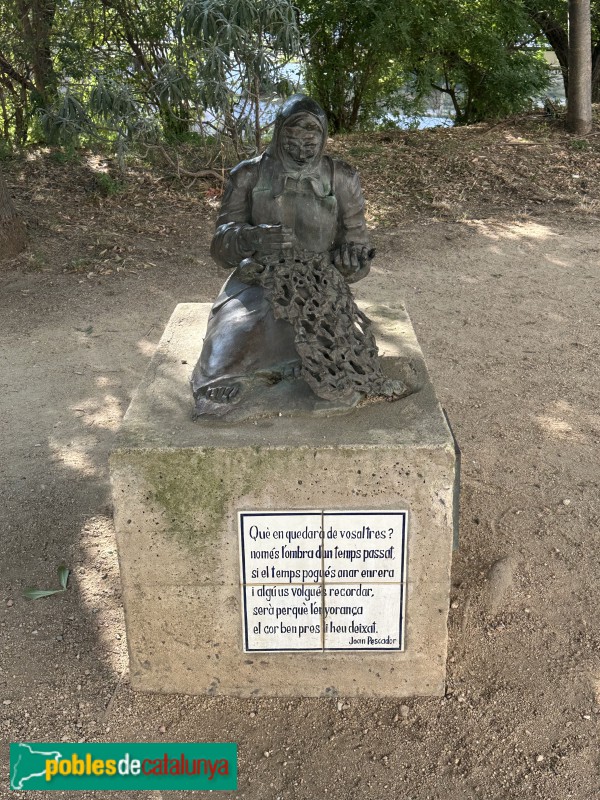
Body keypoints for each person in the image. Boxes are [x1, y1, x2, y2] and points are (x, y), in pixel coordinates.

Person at [191, 94, 406, 417]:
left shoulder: (342, 178)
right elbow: (220, 248)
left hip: (317, 283)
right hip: (258, 281)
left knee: (328, 345)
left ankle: (298, 372)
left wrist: (351, 262)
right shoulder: (248, 175)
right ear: (278, 134)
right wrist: (252, 237)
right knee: (230, 341)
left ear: (323, 140)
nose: (301, 153)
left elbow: (359, 246)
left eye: (310, 144)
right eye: (292, 142)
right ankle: (233, 376)